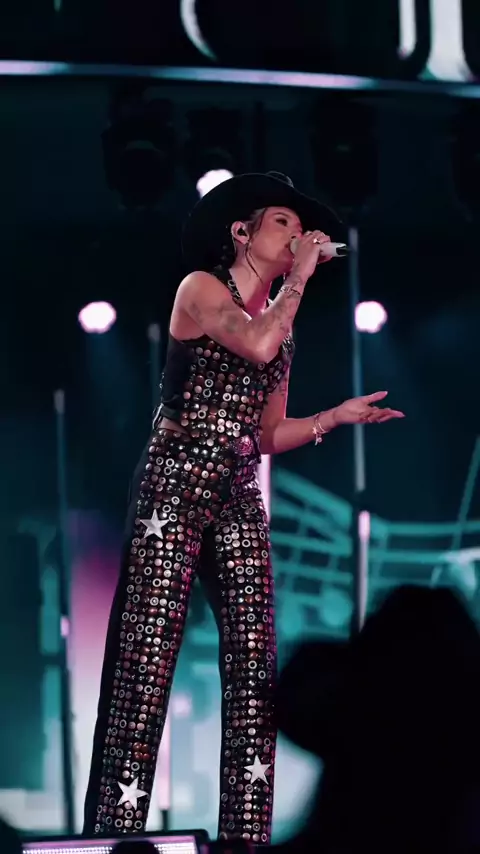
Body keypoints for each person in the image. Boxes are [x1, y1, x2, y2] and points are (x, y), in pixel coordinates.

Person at [83, 171, 404, 843]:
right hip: (176, 481)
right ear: (241, 232)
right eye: (284, 223)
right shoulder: (201, 289)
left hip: (237, 487)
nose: (298, 235)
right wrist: (301, 278)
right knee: (147, 656)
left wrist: (332, 417)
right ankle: (115, 833)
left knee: (255, 659)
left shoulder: (282, 327)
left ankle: (245, 836)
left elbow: (267, 433)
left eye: (302, 229)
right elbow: (253, 343)